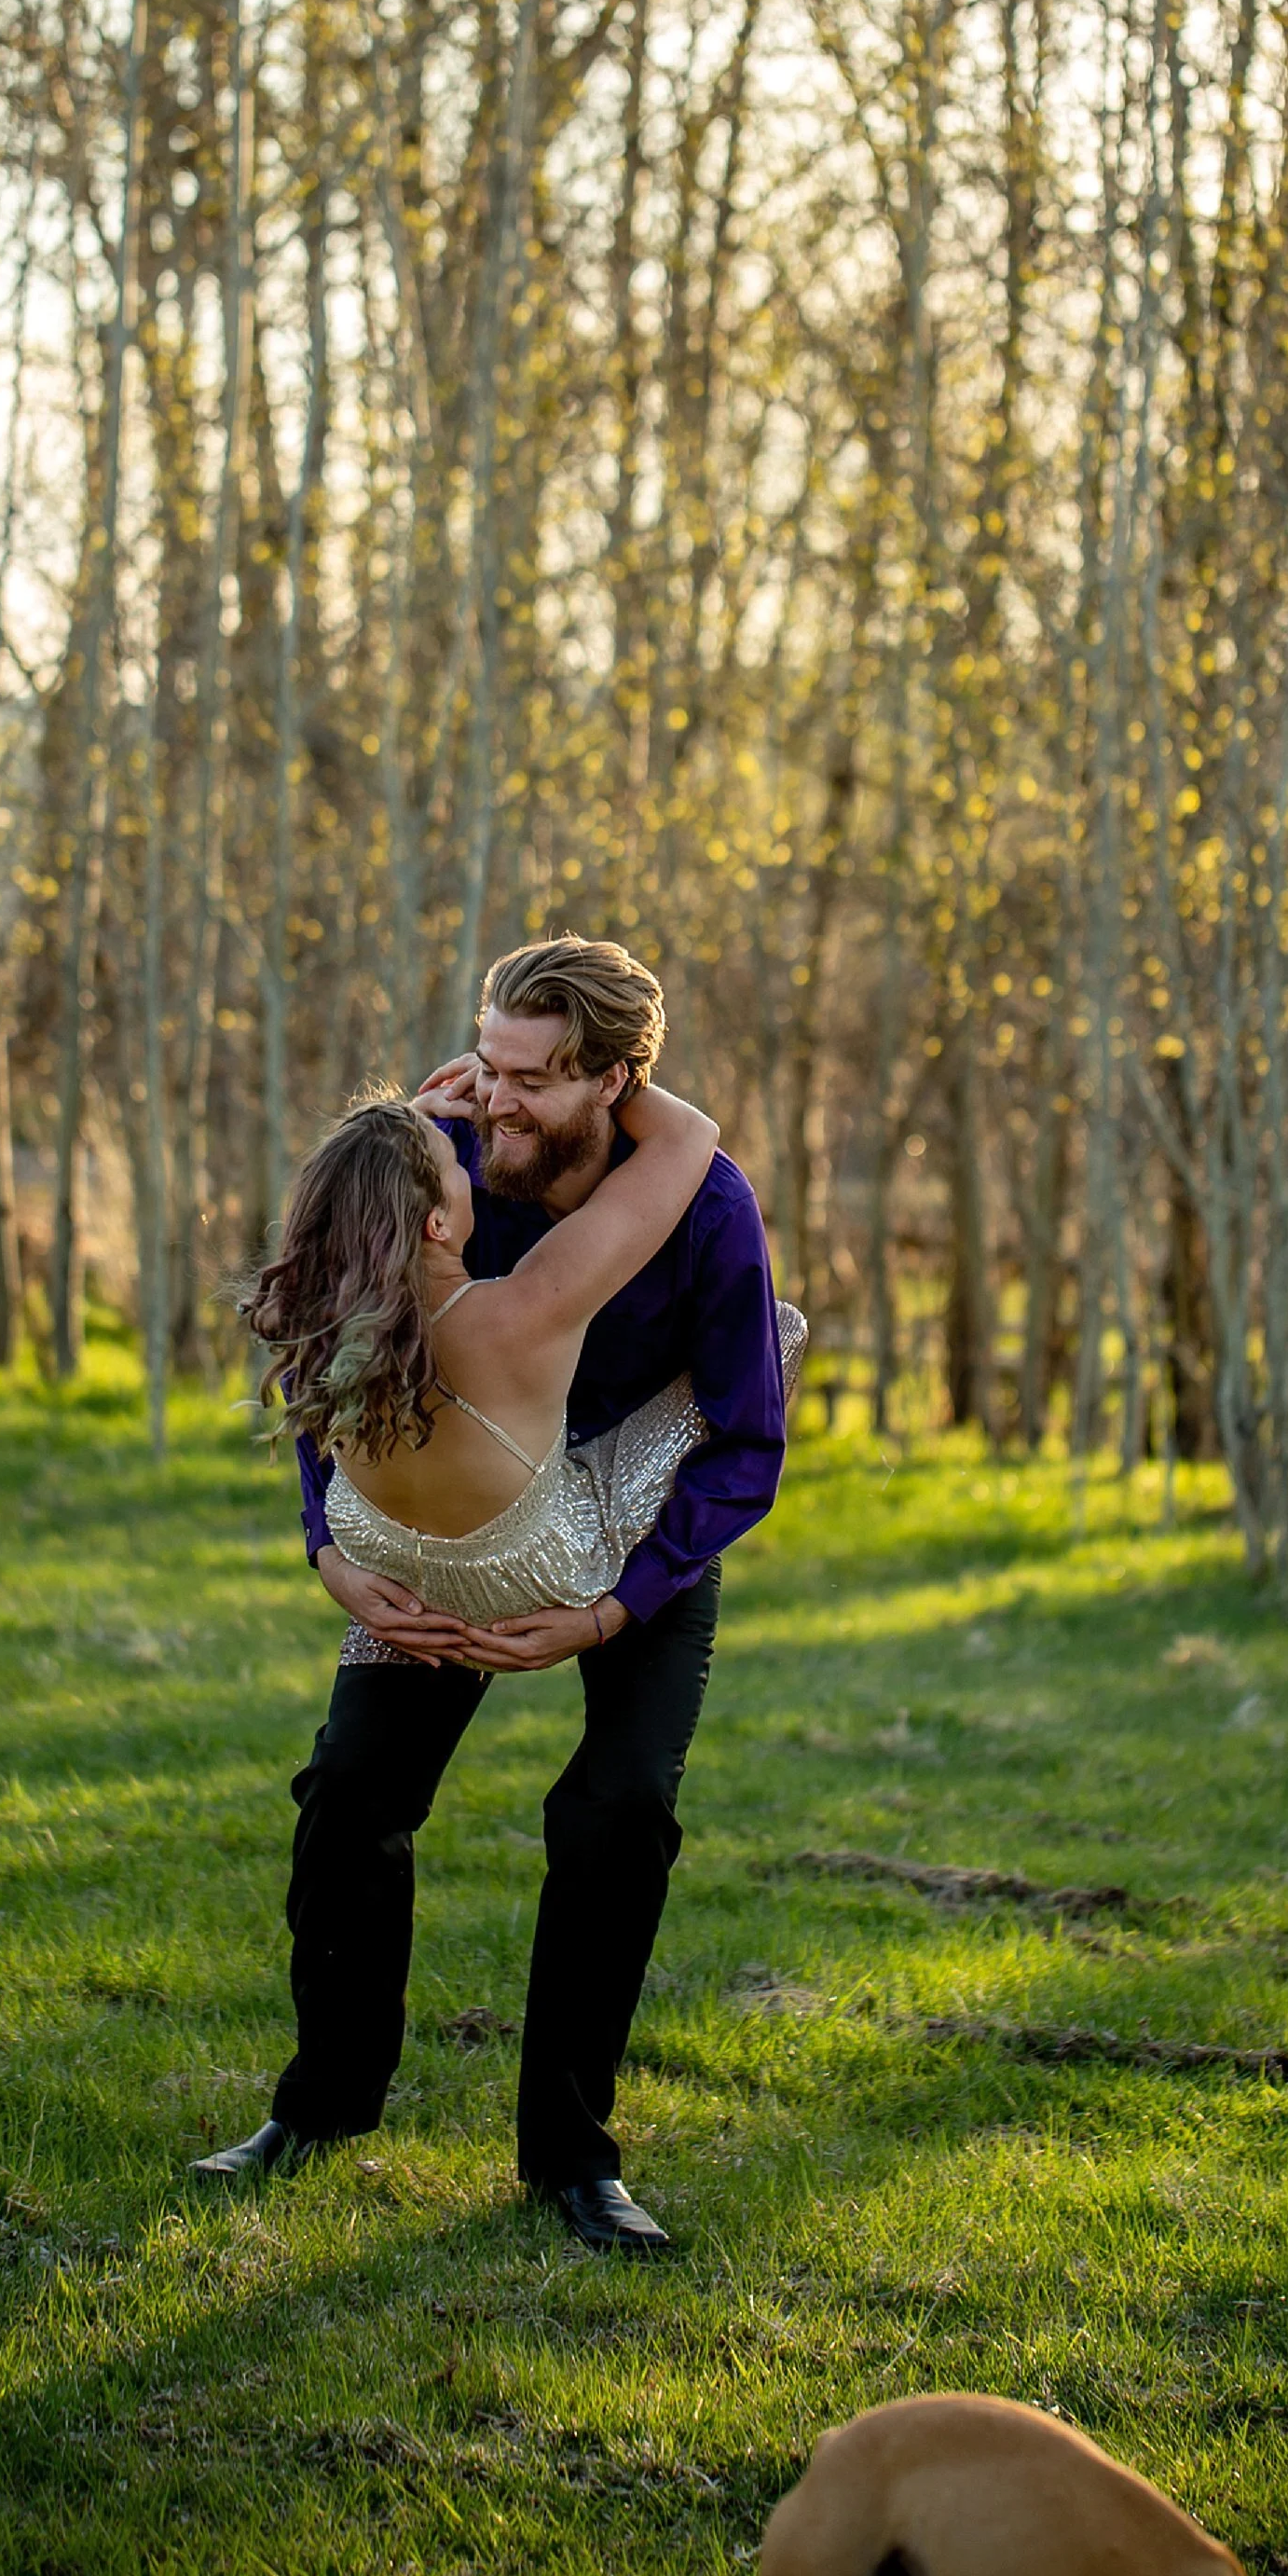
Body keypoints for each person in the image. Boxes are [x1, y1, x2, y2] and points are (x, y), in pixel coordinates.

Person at [193, 938, 800, 2256]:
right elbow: (341, 1357)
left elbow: (747, 1441)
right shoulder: (442, 1173)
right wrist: (335, 1556)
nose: (490, 1097)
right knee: (350, 1792)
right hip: (449, 1540)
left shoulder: (704, 1210)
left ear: (614, 1084)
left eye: (529, 1077)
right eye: (484, 1064)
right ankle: (320, 2106)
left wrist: (612, 1609)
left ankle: (574, 2159)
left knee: (620, 1808)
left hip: (635, 1535)